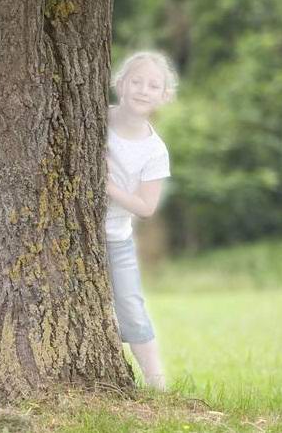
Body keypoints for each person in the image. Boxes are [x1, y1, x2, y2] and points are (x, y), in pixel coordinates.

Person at [105, 51, 177, 390]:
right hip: (72, 236)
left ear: (164, 95)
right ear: (120, 83)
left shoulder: (154, 150)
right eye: (136, 81)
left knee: (130, 305)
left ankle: (156, 380)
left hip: (115, 238)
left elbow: (146, 207)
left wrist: (108, 187)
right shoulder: (98, 120)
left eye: (153, 85)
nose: (143, 89)